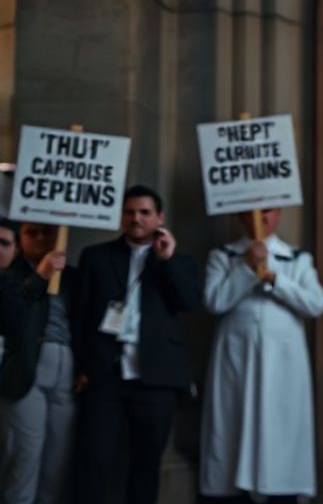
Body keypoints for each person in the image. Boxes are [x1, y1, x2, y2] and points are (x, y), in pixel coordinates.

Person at [74, 185, 202, 504]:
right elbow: (81, 316)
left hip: (156, 380)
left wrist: (167, 259)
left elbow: (188, 302)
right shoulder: (95, 256)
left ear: (159, 217)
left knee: (146, 465)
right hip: (105, 377)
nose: (136, 218)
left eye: (145, 212)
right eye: (130, 212)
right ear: (121, 216)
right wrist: (82, 367)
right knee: (93, 462)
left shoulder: (180, 261)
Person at [199, 207, 323, 501]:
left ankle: (281, 490)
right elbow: (215, 300)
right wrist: (246, 268)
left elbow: (315, 303)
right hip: (236, 357)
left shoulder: (297, 258)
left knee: (280, 426)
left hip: (283, 362)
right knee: (231, 425)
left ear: (278, 213)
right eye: (252, 213)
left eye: (267, 211)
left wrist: (274, 279)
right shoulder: (224, 256)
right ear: (241, 217)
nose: (261, 218)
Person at [0, 222, 78, 504]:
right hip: (26, 369)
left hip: (66, 369)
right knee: (24, 457)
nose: (41, 238)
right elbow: (12, 315)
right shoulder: (11, 273)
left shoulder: (72, 276)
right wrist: (41, 276)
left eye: (47, 232)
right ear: (20, 240)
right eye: (32, 233)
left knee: (57, 461)